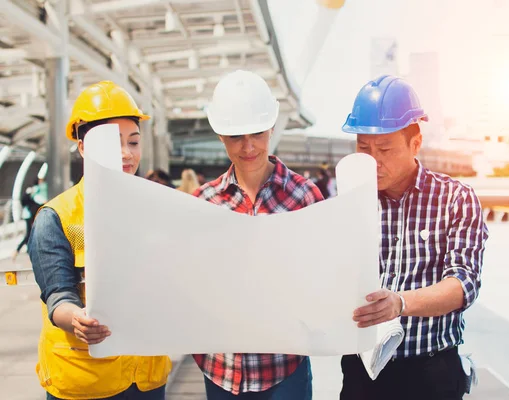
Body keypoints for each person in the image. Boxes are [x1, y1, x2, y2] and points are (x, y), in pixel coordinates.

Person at [339, 75, 489, 400]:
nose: (373, 160)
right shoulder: (348, 199)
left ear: (415, 143)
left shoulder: (455, 199)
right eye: (363, 148)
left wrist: (401, 303)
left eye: (385, 149)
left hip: (430, 374)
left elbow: (464, 284)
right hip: (360, 372)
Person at [27, 81, 171, 400]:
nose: (126, 153)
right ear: (82, 145)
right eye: (113, 142)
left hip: (146, 378)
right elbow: (58, 294)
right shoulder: (56, 217)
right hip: (86, 382)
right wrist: (76, 319)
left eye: (133, 142)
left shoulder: (158, 208)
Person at [192, 70, 323, 399]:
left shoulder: (305, 197)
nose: (248, 146)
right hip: (222, 368)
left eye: (257, 133)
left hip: (284, 367)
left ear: (272, 128)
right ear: (220, 136)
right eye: (236, 137)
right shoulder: (202, 202)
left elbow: (325, 278)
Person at [11, 189, 42, 261]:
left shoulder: (28, 201)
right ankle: (17, 250)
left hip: (28, 216)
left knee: (29, 234)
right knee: (28, 235)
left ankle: (27, 250)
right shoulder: (32, 197)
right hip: (29, 217)